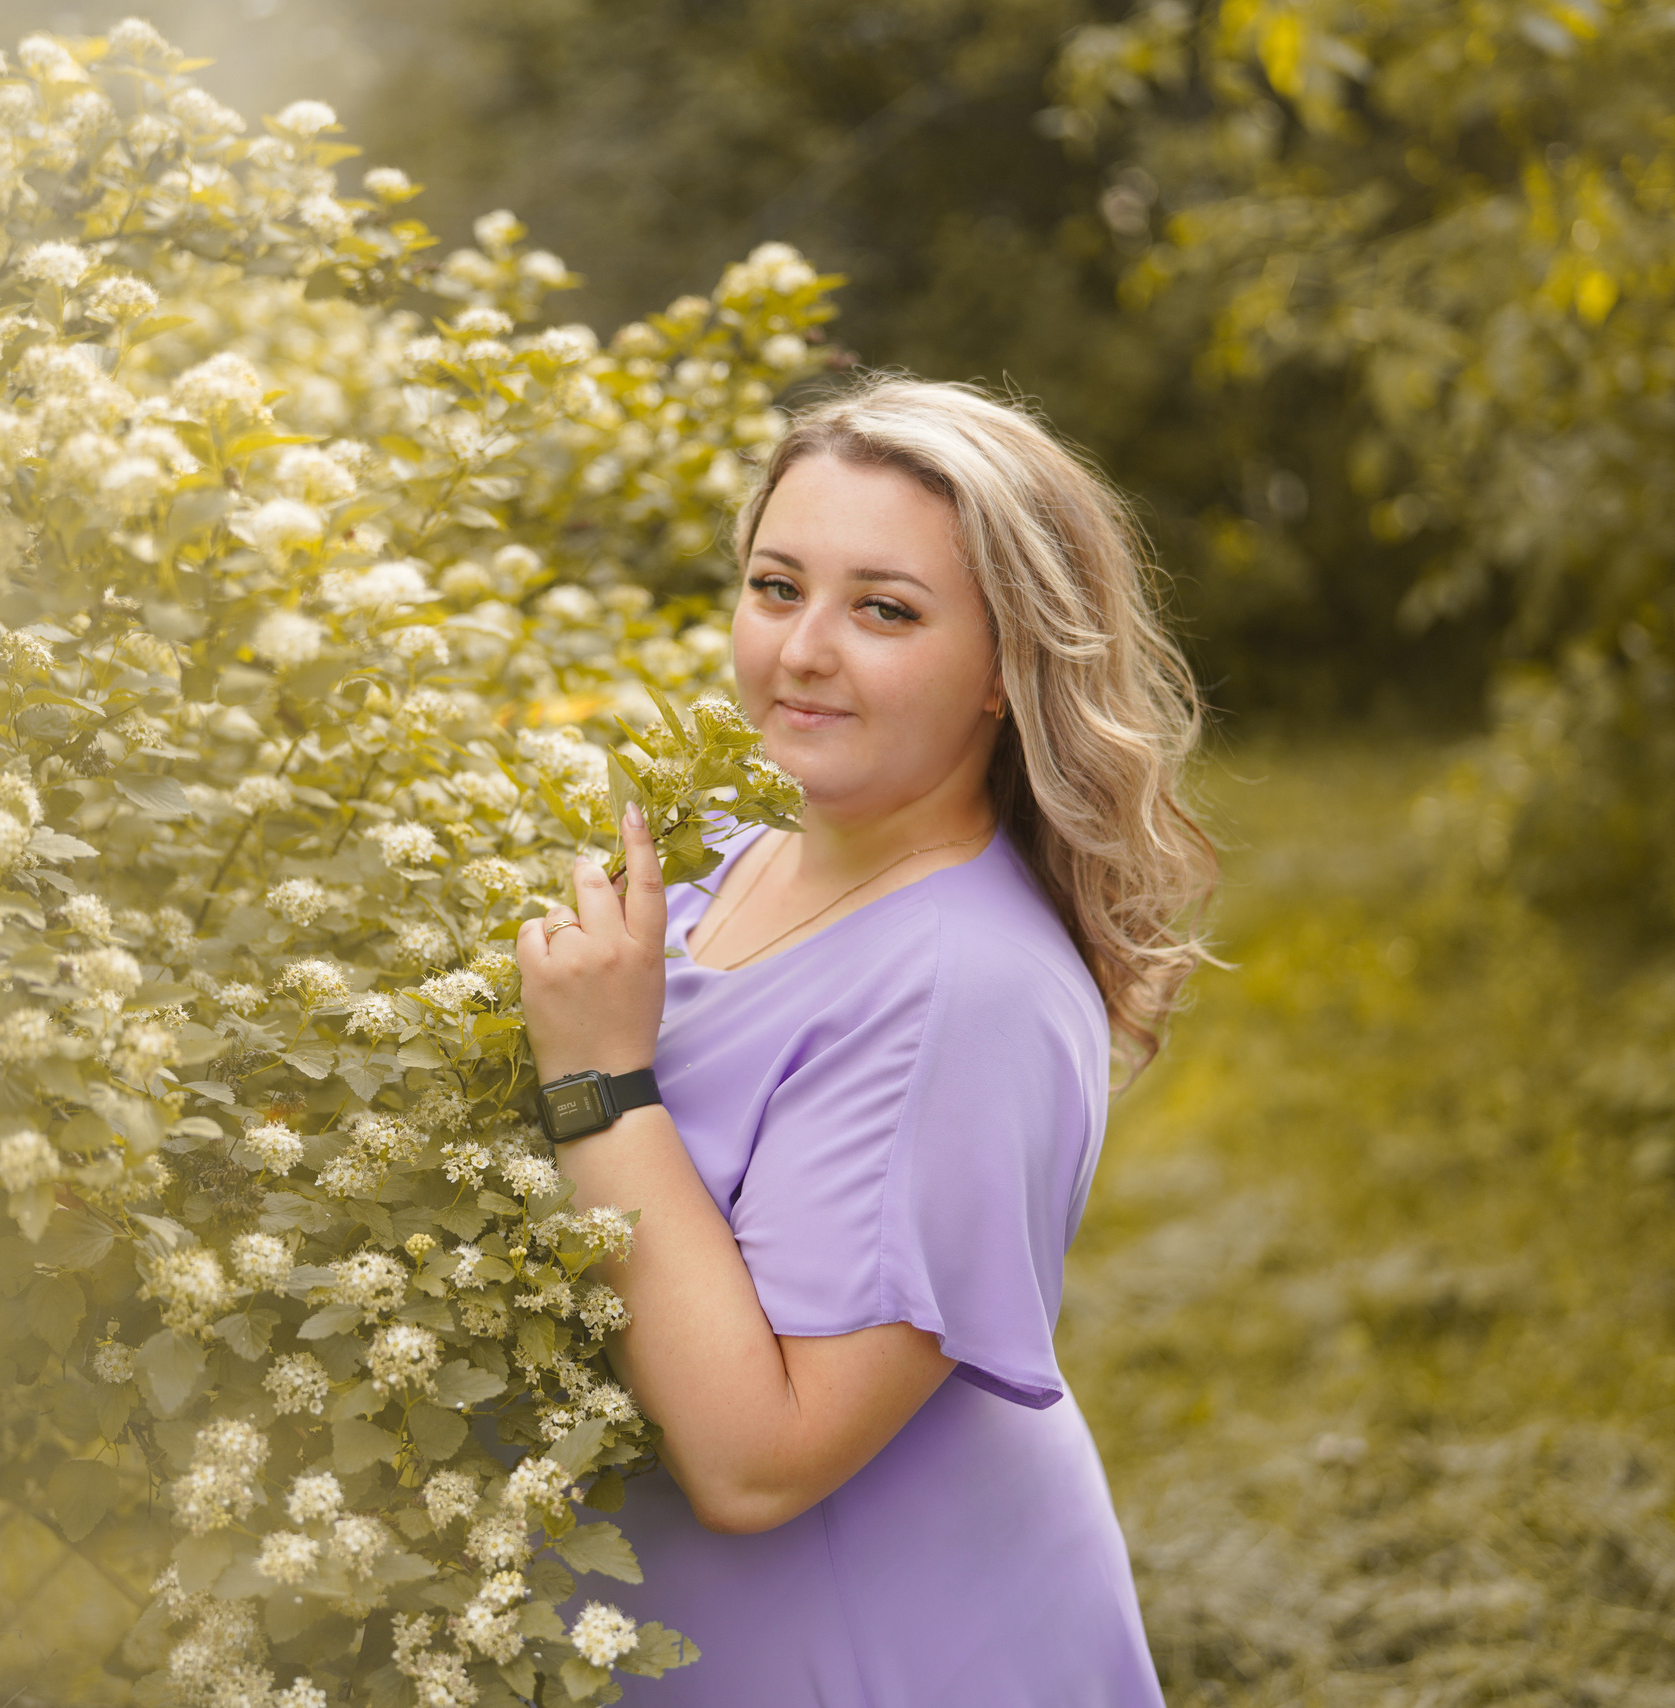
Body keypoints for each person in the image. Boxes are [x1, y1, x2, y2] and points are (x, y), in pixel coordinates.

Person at [513, 376, 1216, 1705]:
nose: (802, 652)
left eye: (883, 610)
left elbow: (756, 1458)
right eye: (778, 588)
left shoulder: (965, 992)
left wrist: (597, 1081)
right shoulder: (731, 853)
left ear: (1011, 668)